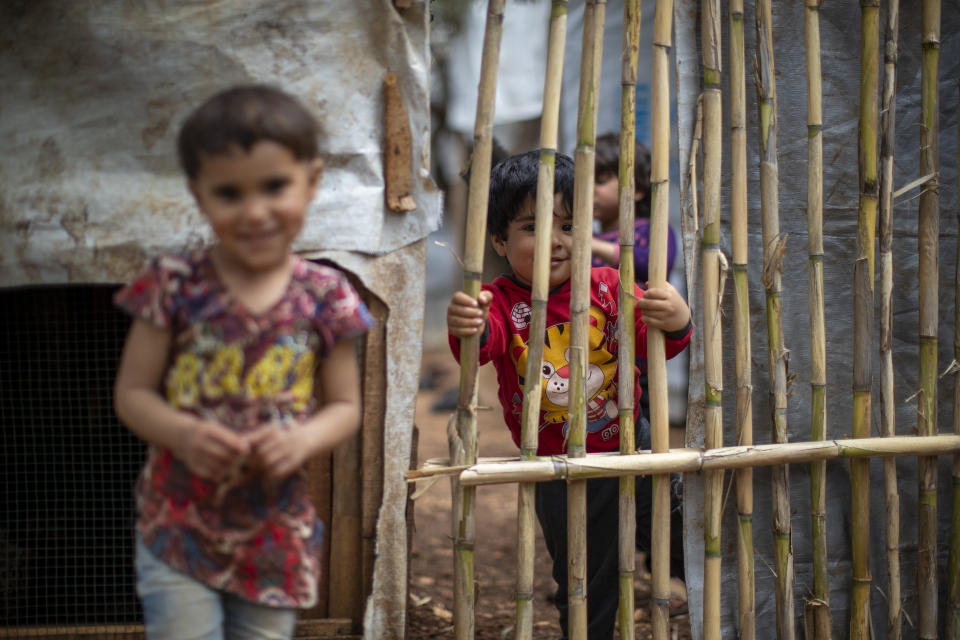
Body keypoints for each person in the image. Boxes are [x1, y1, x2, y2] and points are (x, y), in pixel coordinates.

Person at [112, 85, 373, 640]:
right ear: (199, 195)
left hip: (274, 530)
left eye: (275, 186)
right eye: (229, 193)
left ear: (312, 181)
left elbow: (347, 407)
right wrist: (183, 434)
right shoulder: (173, 283)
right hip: (177, 524)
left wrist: (303, 441)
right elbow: (132, 393)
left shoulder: (327, 295)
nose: (255, 212)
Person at [446, 150, 691, 639]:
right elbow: (480, 347)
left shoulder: (609, 286)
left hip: (632, 445)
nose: (556, 243)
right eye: (533, 228)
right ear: (499, 240)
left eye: (570, 226)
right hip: (557, 468)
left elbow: (660, 343)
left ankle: (708, 612)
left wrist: (677, 317)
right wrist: (467, 324)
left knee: (678, 537)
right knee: (584, 579)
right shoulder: (502, 301)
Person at [590, 132, 677, 282]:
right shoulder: (588, 238)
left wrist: (593, 246)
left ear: (636, 189)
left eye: (601, 181)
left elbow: (654, 268)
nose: (589, 190)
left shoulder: (653, 230)